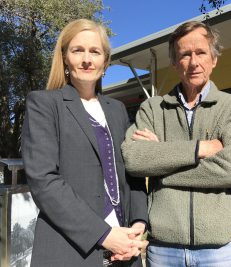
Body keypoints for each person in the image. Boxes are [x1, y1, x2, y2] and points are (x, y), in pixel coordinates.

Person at [121, 21, 231, 267]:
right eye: (185, 54)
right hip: (163, 251)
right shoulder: (152, 108)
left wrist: (161, 165)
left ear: (213, 59)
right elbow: (134, 159)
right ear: (174, 63)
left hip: (221, 250)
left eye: (201, 52)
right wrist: (200, 149)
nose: (194, 62)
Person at [21, 19, 148, 267]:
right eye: (78, 50)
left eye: (95, 51)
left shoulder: (118, 110)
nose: (87, 59)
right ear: (65, 58)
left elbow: (132, 173)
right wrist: (105, 235)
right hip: (69, 251)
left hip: (125, 250)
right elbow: (44, 180)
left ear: (105, 62)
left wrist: (138, 224)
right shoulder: (44, 104)